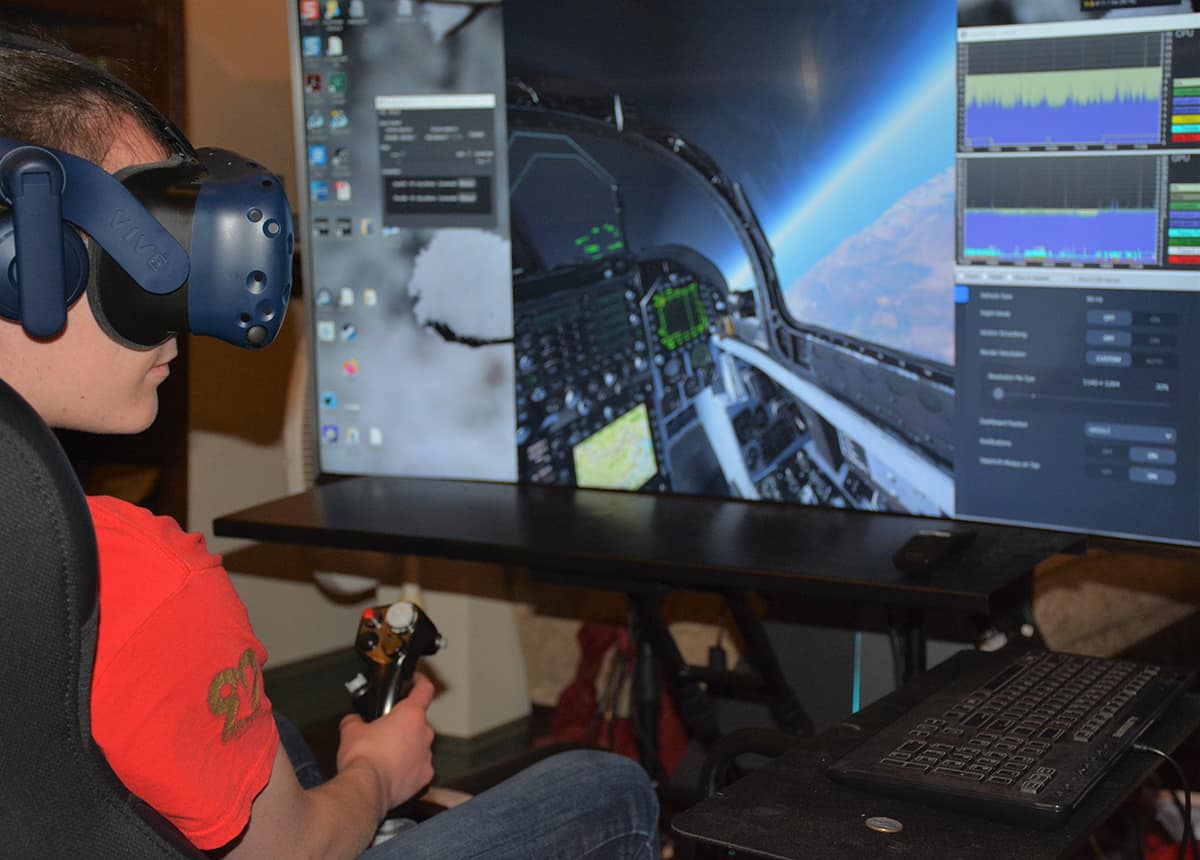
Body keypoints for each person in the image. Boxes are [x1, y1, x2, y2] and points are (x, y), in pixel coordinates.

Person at [0, 35, 659, 859]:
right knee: (607, 788)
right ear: (23, 259)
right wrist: (379, 773)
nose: (183, 297)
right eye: (148, 248)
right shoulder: (132, 579)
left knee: (272, 738)